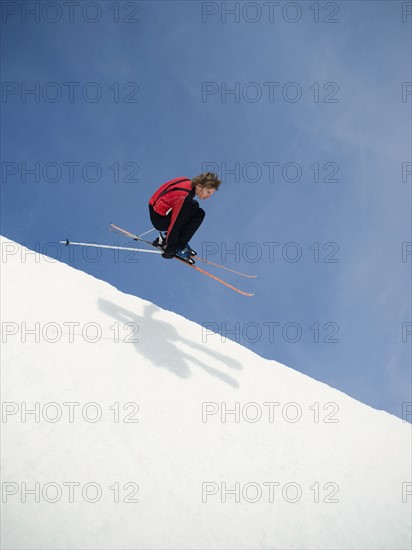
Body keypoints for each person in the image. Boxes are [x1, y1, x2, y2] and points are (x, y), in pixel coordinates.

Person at [148, 172, 221, 264]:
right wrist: (170, 248)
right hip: (159, 219)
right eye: (208, 192)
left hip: (154, 209)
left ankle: (177, 241)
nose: (208, 196)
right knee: (199, 214)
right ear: (199, 186)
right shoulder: (185, 198)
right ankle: (178, 246)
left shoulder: (186, 181)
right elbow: (175, 224)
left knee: (194, 206)